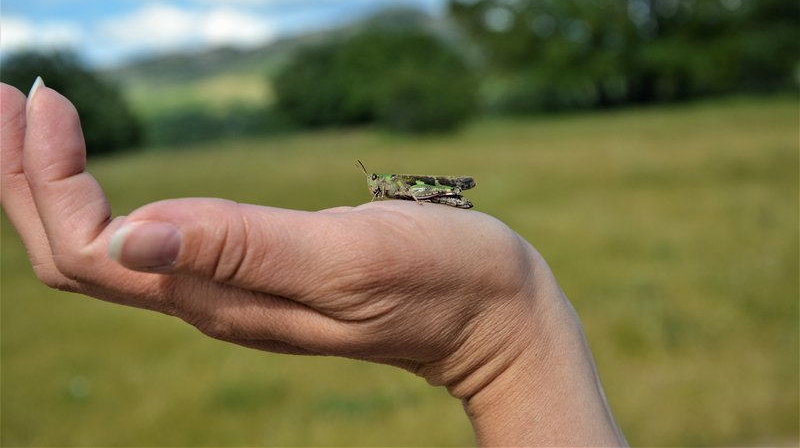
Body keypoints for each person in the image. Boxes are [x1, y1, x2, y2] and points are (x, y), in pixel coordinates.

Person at [0, 79, 626, 447]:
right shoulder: (382, 184)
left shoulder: (402, 184)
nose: (377, 186)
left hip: (440, 191)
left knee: (427, 187)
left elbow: (412, 197)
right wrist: (516, 325)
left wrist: (503, 329)